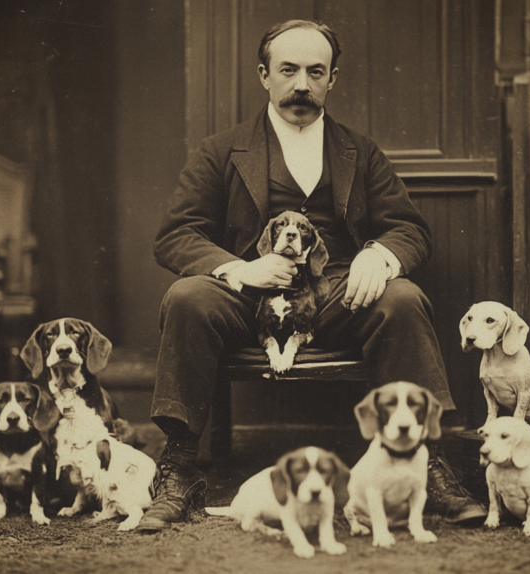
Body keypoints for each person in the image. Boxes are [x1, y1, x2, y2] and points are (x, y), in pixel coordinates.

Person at [141, 19, 486, 532]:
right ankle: (181, 466)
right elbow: (175, 235)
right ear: (264, 75)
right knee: (188, 296)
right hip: (250, 297)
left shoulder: (360, 152)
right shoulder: (221, 151)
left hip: (339, 294)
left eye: (315, 71)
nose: (302, 83)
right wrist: (241, 268)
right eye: (288, 70)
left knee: (404, 299)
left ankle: (426, 461)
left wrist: (381, 255)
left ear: (332, 79)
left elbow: (409, 229)